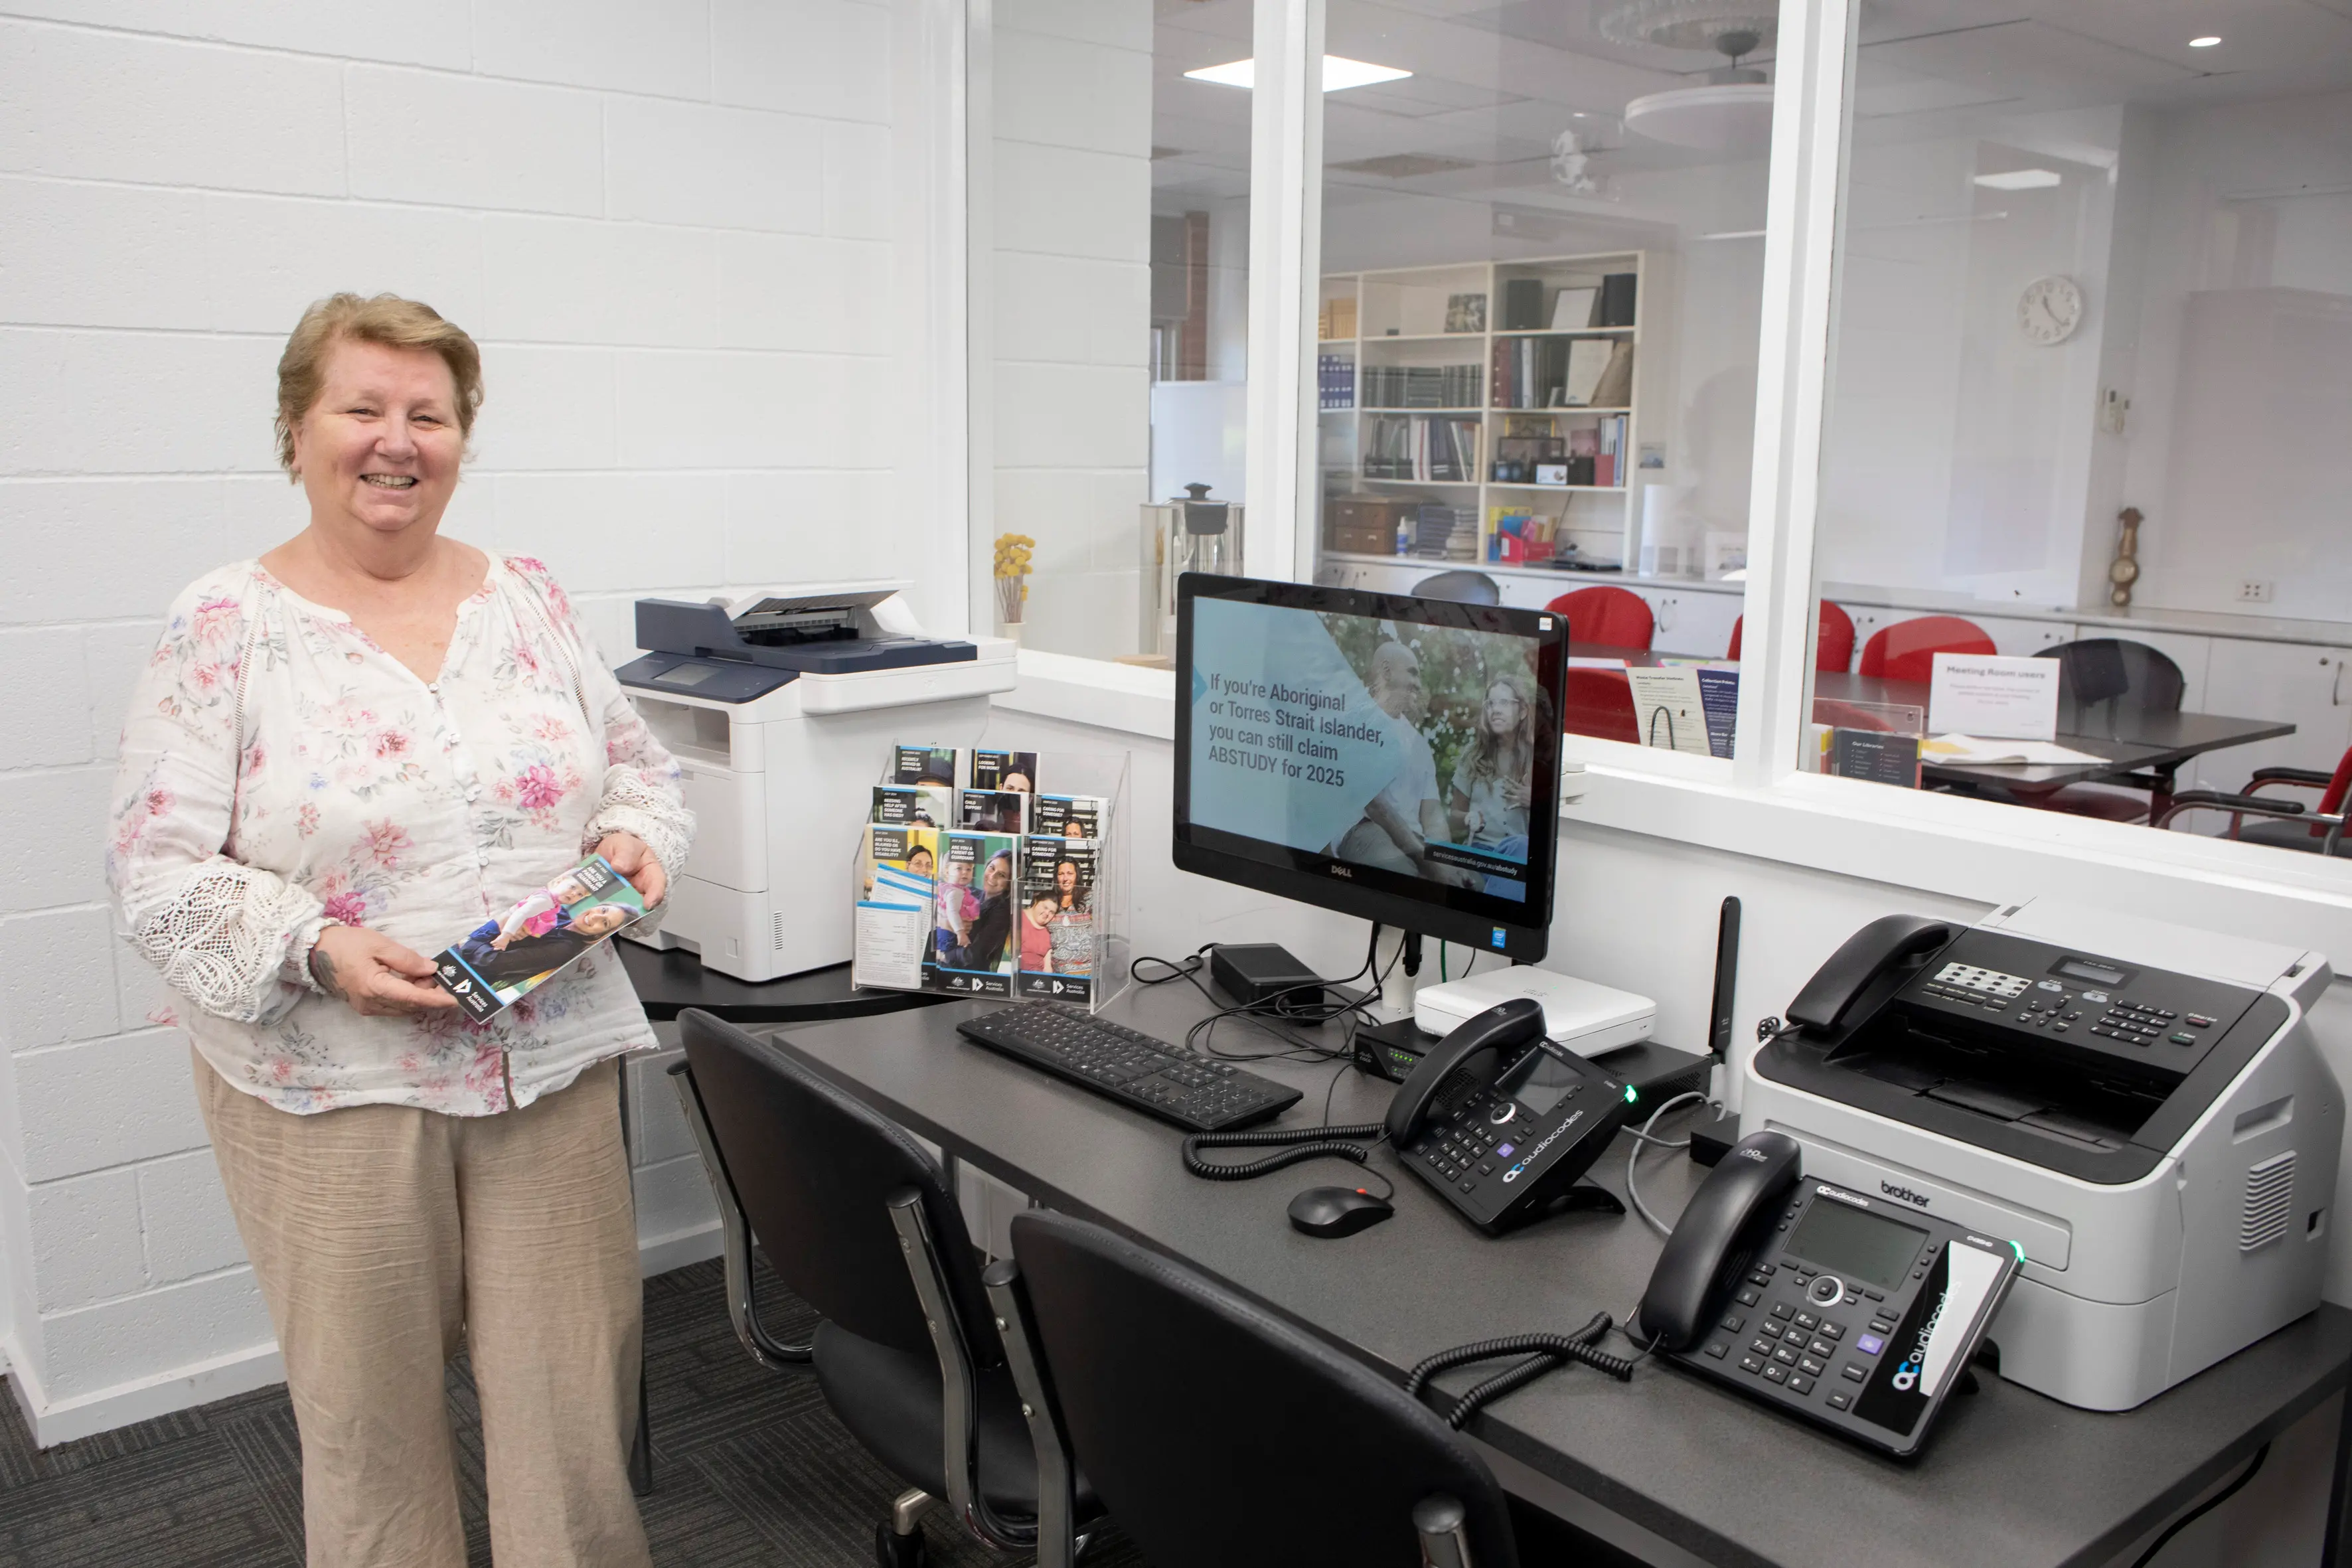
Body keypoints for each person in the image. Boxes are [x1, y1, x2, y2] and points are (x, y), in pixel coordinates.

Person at [104, 293, 690, 1568]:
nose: (395, 439)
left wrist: (639, 841)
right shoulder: (225, 623)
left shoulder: (525, 594)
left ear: (461, 438)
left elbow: (642, 769)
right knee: (370, 1432)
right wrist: (317, 947)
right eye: (361, 407)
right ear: (296, 429)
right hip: (333, 1092)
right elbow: (154, 869)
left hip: (548, 1063)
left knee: (575, 1412)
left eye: (428, 413)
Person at [1331, 640, 1468, 883]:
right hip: (1364, 829)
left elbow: (1433, 814)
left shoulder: (1419, 744)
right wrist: (1431, 866)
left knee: (1473, 883)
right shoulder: (1355, 720)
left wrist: (1442, 859)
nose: (1418, 683)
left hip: (1414, 841)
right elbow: (1376, 807)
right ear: (1386, 671)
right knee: (1403, 875)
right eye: (1412, 672)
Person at [1449, 672, 1539, 899]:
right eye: (1491, 704)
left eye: (1505, 703)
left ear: (1523, 712)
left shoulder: (1538, 760)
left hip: (1519, 855)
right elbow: (1452, 819)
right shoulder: (1472, 755)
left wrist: (1536, 801)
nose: (1496, 710)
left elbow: (1550, 831)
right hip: (1480, 854)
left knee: (1521, 846)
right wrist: (1468, 818)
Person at [458, 901, 636, 992]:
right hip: (467, 941)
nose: (596, 917)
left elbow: (491, 962)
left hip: (466, 971)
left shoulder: (563, 949)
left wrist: (469, 940)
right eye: (603, 910)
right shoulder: (559, 912)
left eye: (604, 923)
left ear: (600, 935)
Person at [941, 850, 1015, 971]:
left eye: (1002, 875)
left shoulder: (1002, 912)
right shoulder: (971, 893)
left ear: (1009, 884)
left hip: (969, 978)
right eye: (992, 868)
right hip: (948, 967)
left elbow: (975, 954)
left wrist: (943, 956)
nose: (992, 876)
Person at [1019, 892, 1059, 971]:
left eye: (1052, 912)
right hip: (1013, 975)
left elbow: (1048, 968)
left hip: (1037, 979)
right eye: (1045, 907)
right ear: (1036, 902)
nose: (1047, 913)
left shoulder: (1050, 931)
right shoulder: (1016, 917)